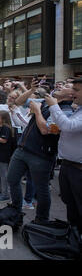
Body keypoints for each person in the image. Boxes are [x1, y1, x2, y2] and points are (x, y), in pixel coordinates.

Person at [7, 80, 59, 224]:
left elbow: (45, 130)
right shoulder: (39, 102)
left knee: (41, 189)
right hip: (22, 150)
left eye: (34, 95)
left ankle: (41, 220)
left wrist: (36, 111)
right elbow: (18, 101)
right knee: (12, 179)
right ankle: (15, 211)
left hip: (41, 156)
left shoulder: (55, 109)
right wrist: (30, 89)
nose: (30, 99)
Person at [45, 78, 82, 235]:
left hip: (78, 170)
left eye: (77, 90)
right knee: (70, 204)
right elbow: (61, 126)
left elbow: (68, 126)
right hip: (68, 165)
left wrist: (53, 105)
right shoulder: (77, 110)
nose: (72, 92)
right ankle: (72, 235)